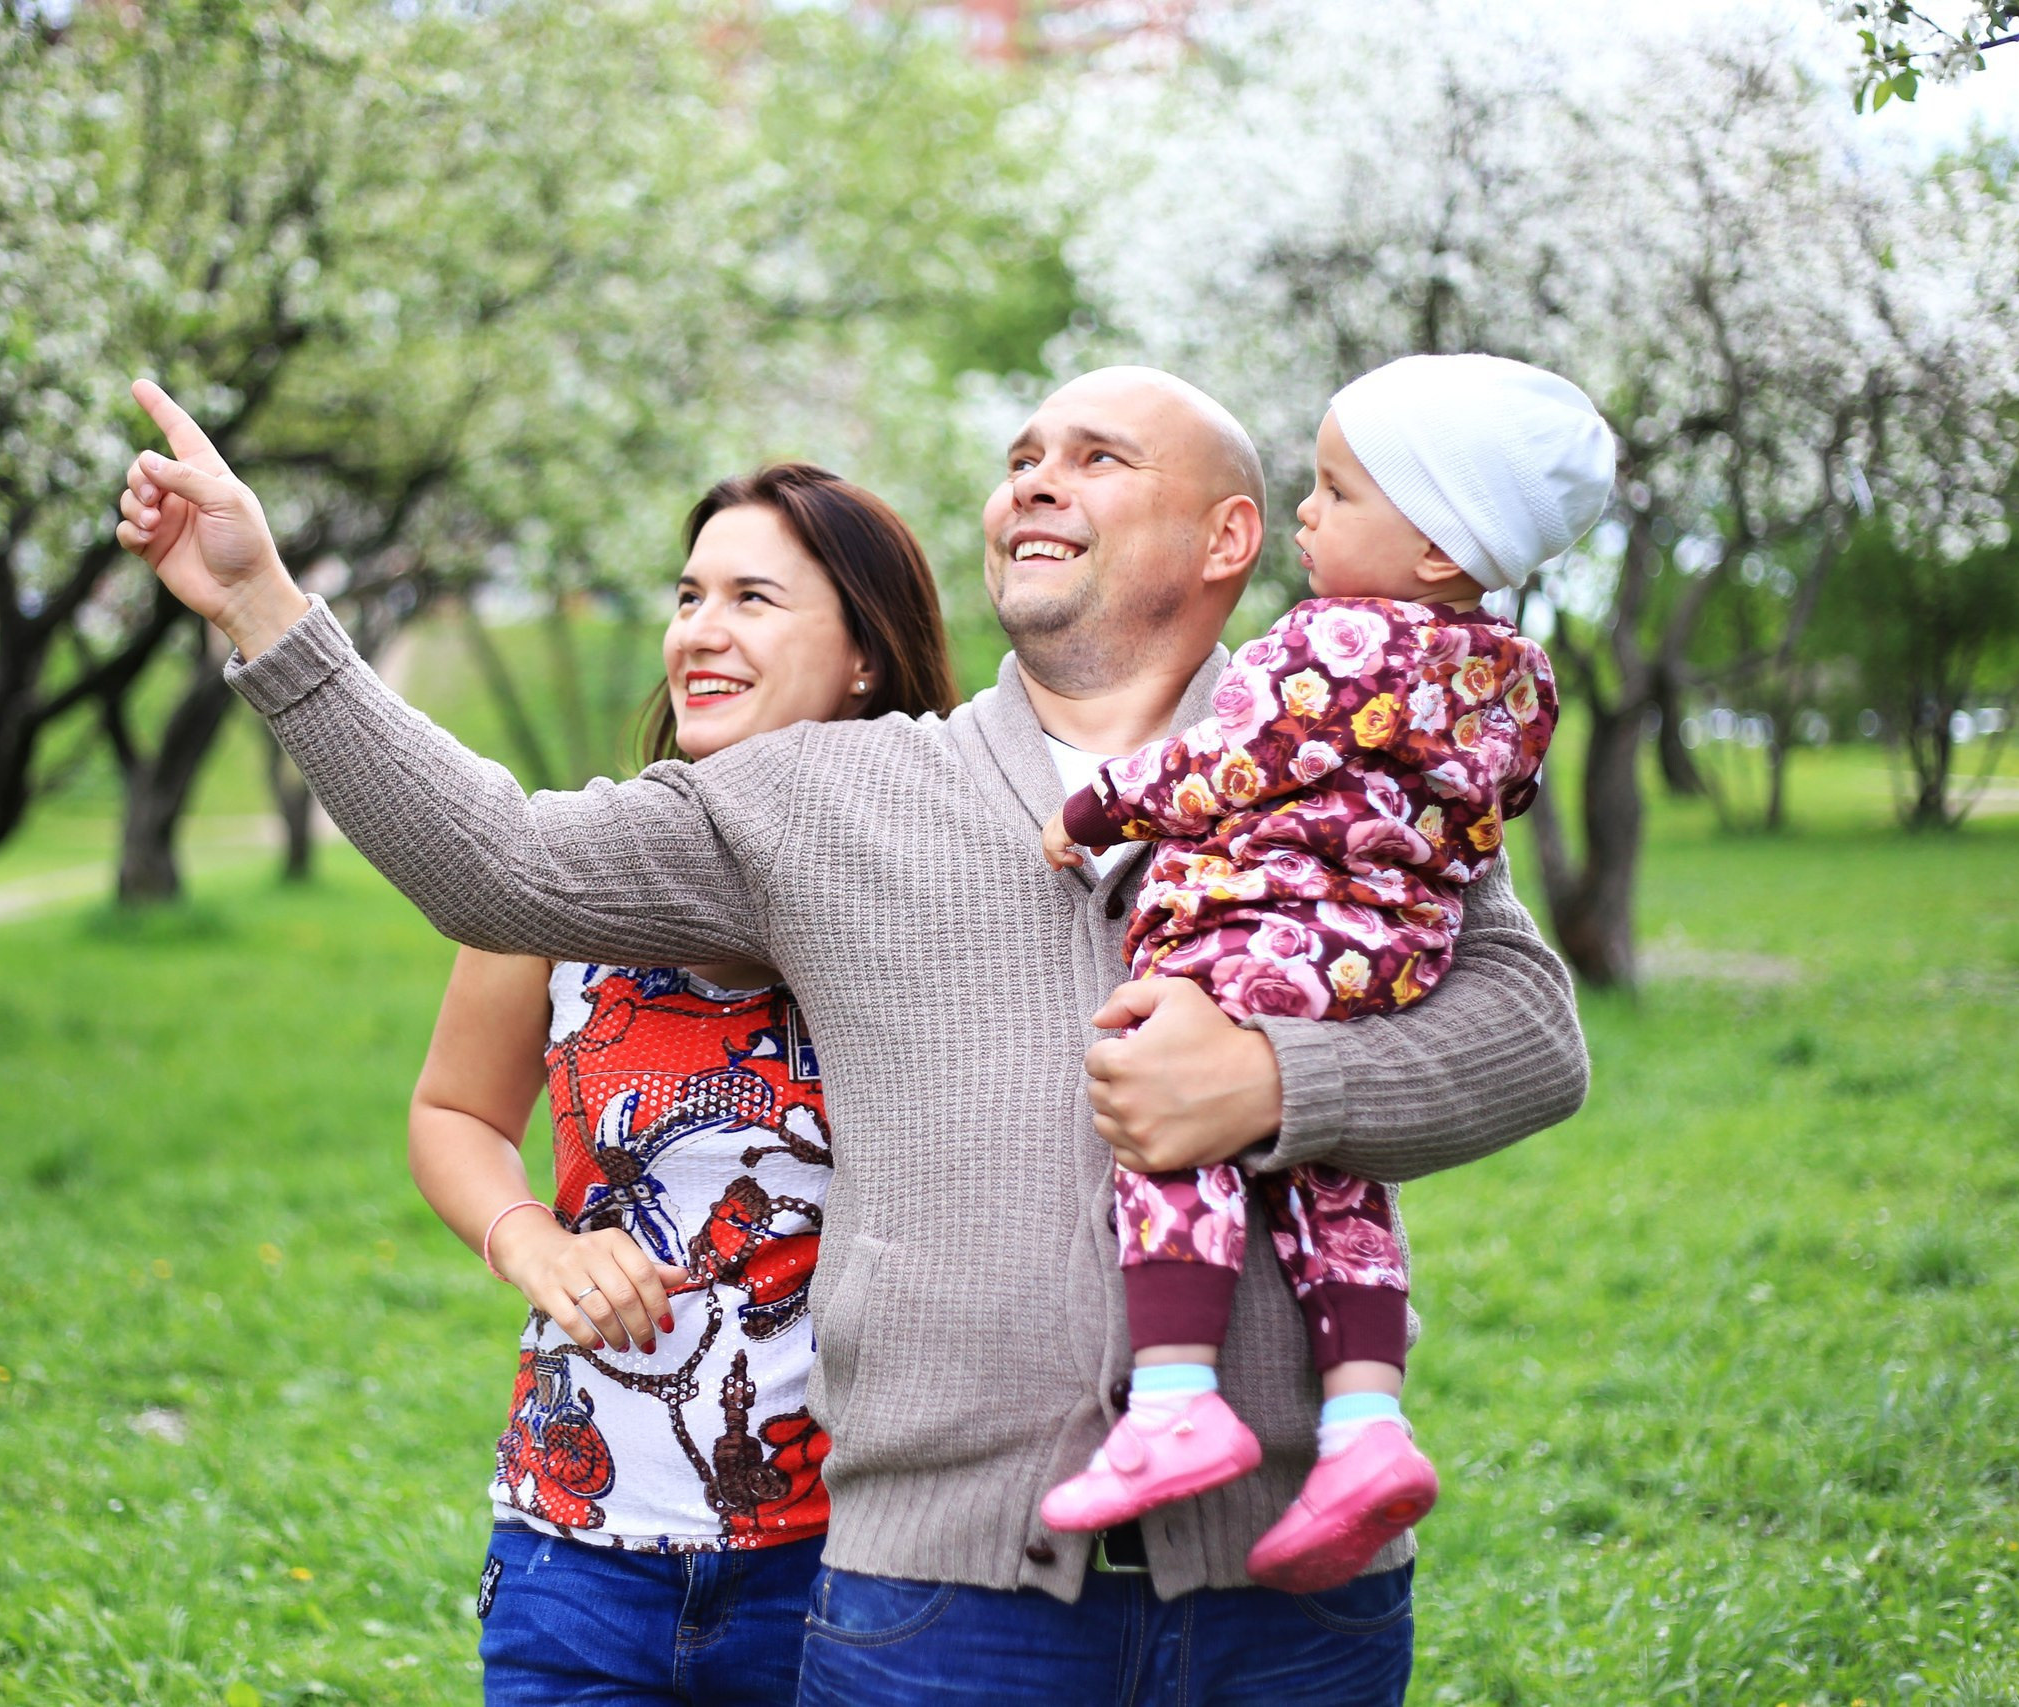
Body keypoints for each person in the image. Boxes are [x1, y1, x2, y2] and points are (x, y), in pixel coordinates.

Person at [114, 365, 1590, 1704]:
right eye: (1020, 455)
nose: (1034, 478)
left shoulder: (1343, 757)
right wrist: (262, 607)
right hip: (942, 1604)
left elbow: (1532, 1033)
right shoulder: (823, 793)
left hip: (1296, 1597)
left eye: (1096, 454)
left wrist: (1279, 1078)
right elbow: (493, 863)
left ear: (1226, 537)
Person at [1034, 355, 1613, 1597]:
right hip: (1388, 954)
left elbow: (1230, 765)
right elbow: (1483, 823)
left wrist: (1098, 807)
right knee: (1323, 1167)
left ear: (1439, 548)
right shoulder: (1517, 676)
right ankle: (1363, 1427)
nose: (1306, 512)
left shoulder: (1336, 639)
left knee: (1168, 1111)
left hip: (1264, 930)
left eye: (1337, 492)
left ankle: (1176, 1399)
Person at [400, 464, 959, 1704]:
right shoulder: (555, 877)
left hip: (851, 1561)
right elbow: (455, 1114)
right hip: (577, 1554)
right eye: (689, 593)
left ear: (866, 655)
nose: (700, 631)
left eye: (754, 598)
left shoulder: (938, 900)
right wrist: (530, 1242)